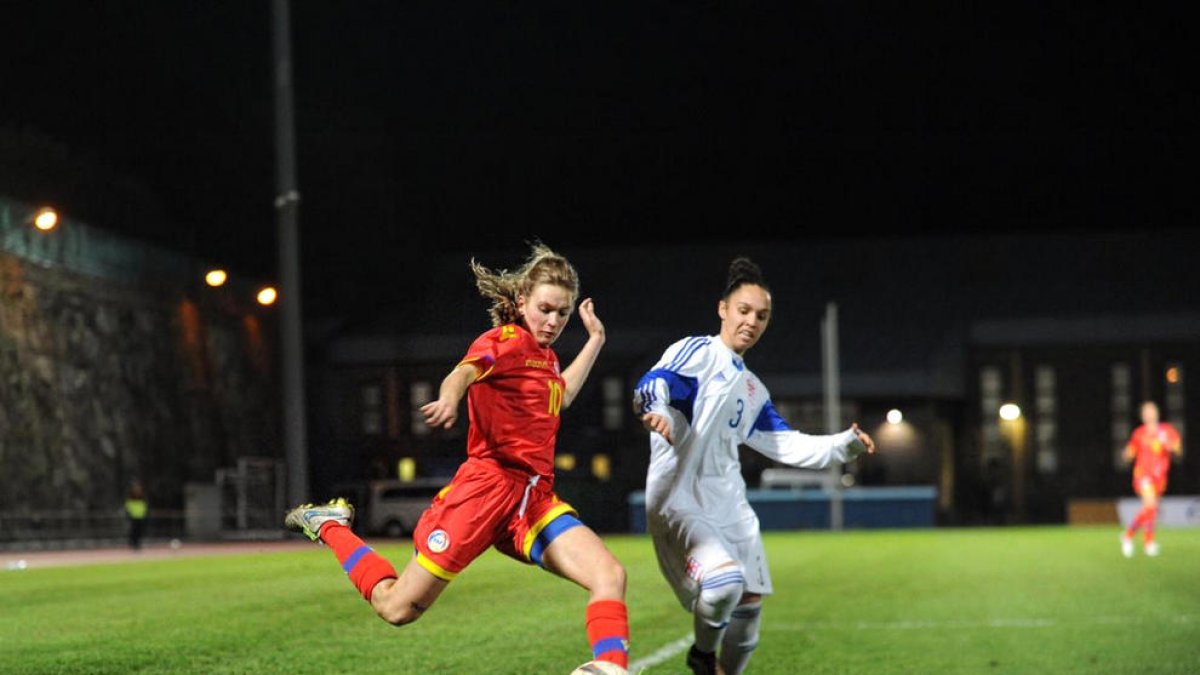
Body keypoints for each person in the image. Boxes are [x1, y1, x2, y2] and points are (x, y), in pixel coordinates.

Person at [285, 245, 630, 672]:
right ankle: (331, 526)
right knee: (397, 608)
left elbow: (562, 395)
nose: (554, 322)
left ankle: (610, 668)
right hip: (484, 492)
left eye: (563, 313)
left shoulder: (547, 357)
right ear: (521, 301)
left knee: (609, 576)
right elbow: (463, 371)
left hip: (533, 500)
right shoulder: (503, 341)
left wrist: (595, 340)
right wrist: (449, 399)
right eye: (545, 309)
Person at [633, 257, 876, 675]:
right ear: (723, 309)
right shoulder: (698, 352)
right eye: (744, 310)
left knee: (749, 607)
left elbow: (788, 445)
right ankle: (702, 657)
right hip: (681, 502)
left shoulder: (752, 389)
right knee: (725, 585)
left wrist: (846, 445)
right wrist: (654, 408)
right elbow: (655, 380)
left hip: (731, 507)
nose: (752, 321)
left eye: (761, 316)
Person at [1120, 400, 1182, 557]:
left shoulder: (1167, 431)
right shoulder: (1139, 433)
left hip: (1160, 477)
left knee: (1151, 510)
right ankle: (1129, 536)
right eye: (1146, 411)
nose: (1149, 413)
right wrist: (1126, 454)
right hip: (1143, 475)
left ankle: (1147, 542)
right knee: (1150, 505)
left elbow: (1178, 450)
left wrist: (1170, 446)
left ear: (1157, 413)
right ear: (1142, 416)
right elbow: (1129, 453)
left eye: (1151, 410)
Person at [125, 481, 147, 551]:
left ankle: (138, 544)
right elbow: (127, 507)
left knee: (139, 531)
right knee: (133, 531)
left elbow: (144, 507)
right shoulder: (130, 499)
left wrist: (144, 515)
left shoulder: (142, 499)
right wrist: (129, 515)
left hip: (140, 517)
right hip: (133, 518)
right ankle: (133, 544)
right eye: (136, 490)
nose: (137, 492)